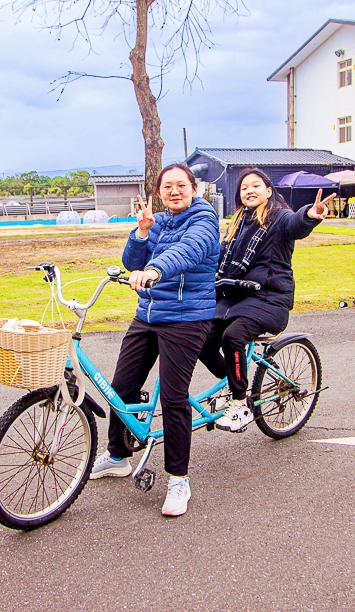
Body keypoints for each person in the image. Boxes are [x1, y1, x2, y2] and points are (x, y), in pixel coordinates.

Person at [89, 163, 219, 518]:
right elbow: (131, 261)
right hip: (148, 315)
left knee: (174, 397)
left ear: (194, 188)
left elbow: (188, 252)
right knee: (121, 386)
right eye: (167, 187)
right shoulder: (159, 221)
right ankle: (118, 455)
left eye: (181, 185)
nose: (174, 191)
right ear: (159, 192)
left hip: (187, 318)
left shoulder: (204, 219)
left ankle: (179, 479)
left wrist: (155, 270)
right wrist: (142, 233)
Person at [199, 169, 335, 433]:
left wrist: (311, 214)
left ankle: (240, 403)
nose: (250, 191)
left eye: (256, 186)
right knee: (201, 338)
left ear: (269, 191)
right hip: (235, 295)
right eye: (244, 187)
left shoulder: (279, 217)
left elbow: (296, 224)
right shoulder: (237, 224)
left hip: (269, 297)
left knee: (233, 337)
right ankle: (232, 380)